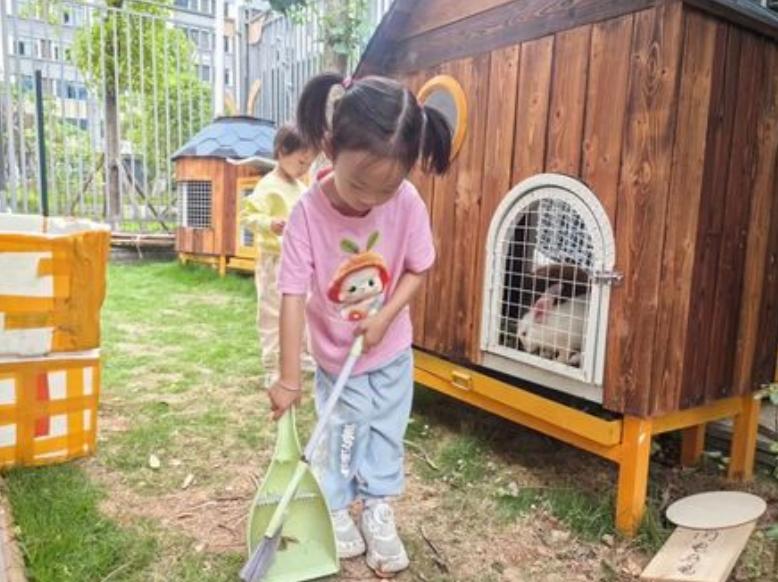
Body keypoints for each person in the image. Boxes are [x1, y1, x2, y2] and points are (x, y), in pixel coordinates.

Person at [268, 73, 452, 576]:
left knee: (386, 432)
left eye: (385, 190)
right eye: (357, 185)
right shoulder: (306, 215)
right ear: (330, 148)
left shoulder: (406, 202)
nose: (369, 200)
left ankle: (377, 507)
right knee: (343, 433)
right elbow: (291, 295)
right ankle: (333, 506)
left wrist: (386, 317)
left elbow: (418, 268)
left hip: (390, 350)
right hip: (336, 356)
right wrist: (289, 379)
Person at [240, 124, 317, 388]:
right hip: (274, 261)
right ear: (282, 151)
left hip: (299, 262)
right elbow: (247, 216)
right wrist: (269, 223)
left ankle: (302, 356)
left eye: (309, 164)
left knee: (304, 309)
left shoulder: (301, 188)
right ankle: (272, 367)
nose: (304, 168)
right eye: (301, 161)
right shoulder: (268, 185)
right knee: (273, 314)